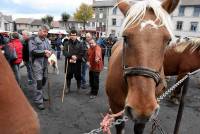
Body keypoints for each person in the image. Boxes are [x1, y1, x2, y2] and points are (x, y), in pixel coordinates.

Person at [29, 25, 52, 110]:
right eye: (44, 31)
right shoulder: (33, 39)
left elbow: (50, 49)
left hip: (45, 64)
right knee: (38, 83)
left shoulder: (46, 40)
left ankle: (41, 96)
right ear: (39, 31)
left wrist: (50, 52)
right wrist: (44, 52)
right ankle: (38, 101)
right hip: (37, 64)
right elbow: (33, 51)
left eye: (47, 32)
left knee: (43, 81)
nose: (46, 33)